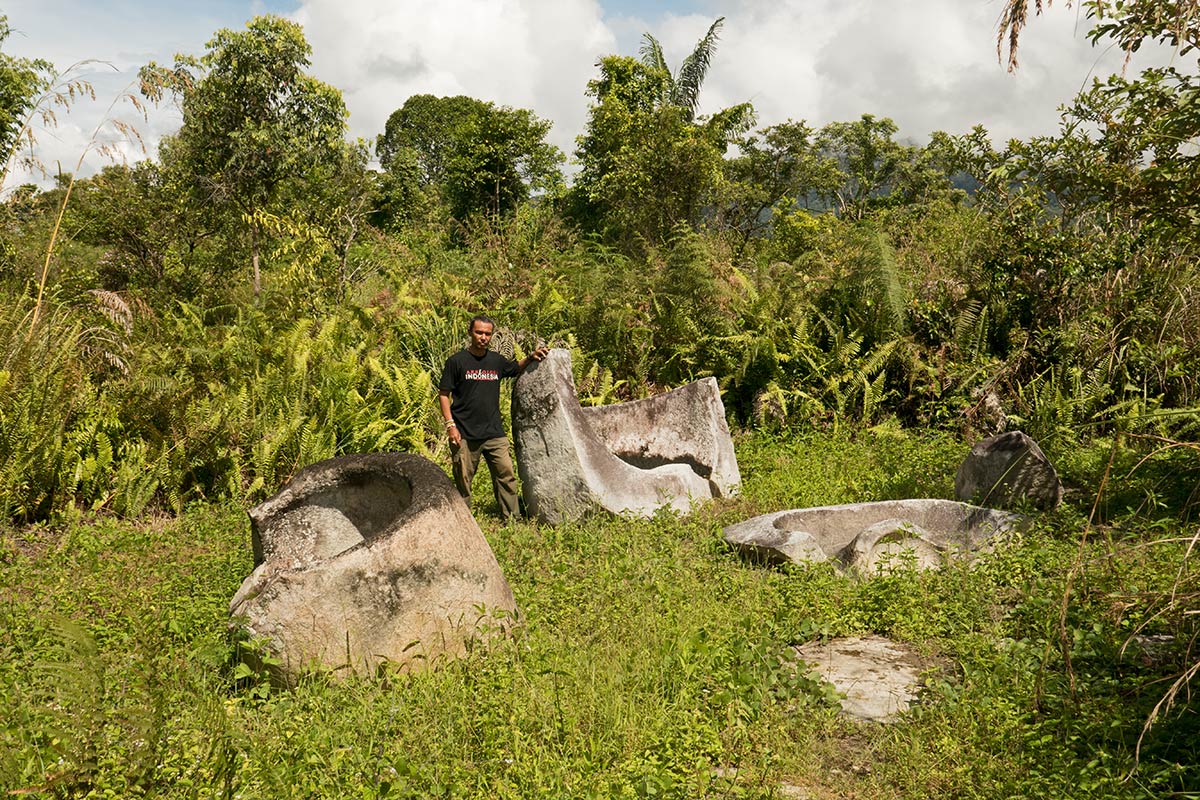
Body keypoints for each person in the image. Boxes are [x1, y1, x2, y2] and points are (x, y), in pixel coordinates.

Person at [438, 316, 548, 519]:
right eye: (479, 332)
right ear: (470, 332)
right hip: (464, 434)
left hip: (494, 433)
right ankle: (464, 522)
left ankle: (512, 518)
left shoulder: (495, 361)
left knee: (506, 475)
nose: (483, 337)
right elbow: (444, 394)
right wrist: (450, 425)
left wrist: (531, 357)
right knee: (463, 480)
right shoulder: (456, 362)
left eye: (487, 334)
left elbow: (515, 368)